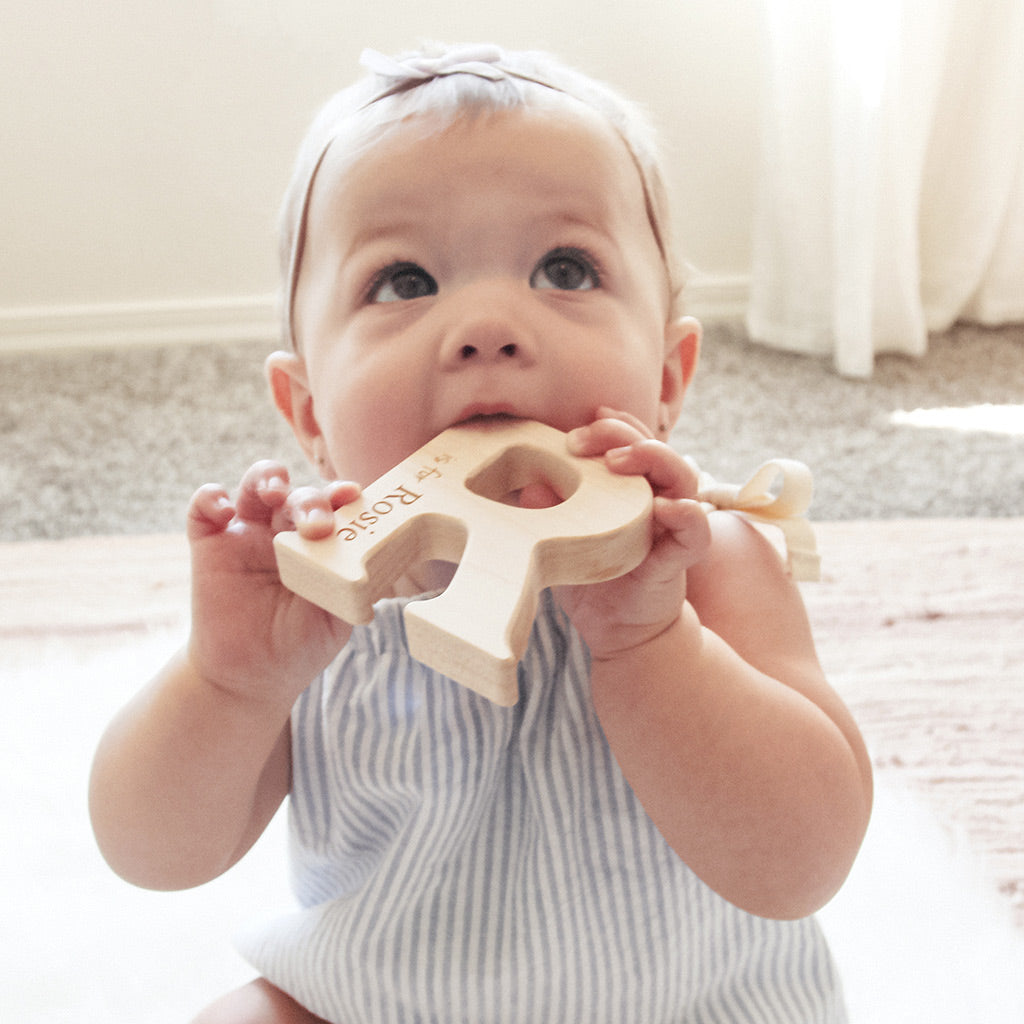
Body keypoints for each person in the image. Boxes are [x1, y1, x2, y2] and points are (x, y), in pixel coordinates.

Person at [89, 43, 872, 1024]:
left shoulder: (709, 560)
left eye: (565, 268)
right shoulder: (314, 592)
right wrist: (229, 680)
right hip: (375, 1000)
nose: (487, 327)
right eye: (404, 281)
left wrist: (649, 640)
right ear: (309, 410)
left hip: (689, 1003)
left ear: (668, 381)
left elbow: (801, 862)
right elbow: (152, 852)